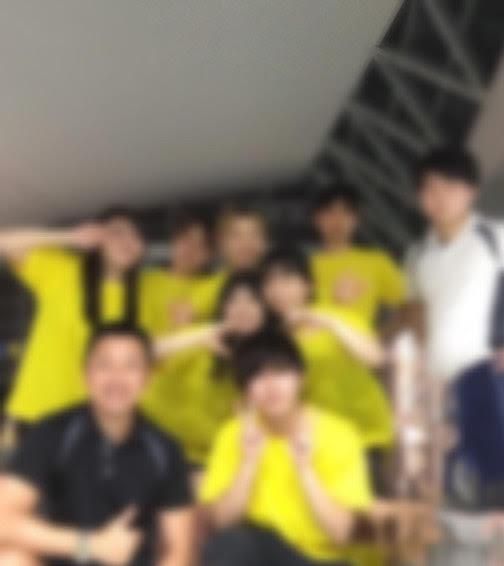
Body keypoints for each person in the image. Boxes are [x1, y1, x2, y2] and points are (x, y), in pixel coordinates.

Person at [0, 323, 194, 566]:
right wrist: (91, 545)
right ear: (85, 375)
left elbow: (179, 551)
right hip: (66, 558)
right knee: (9, 559)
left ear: (148, 379)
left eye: (130, 366)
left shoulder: (165, 450)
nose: (117, 378)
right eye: (105, 365)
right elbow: (3, 521)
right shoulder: (52, 433)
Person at [405, 145, 504, 564]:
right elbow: (417, 322)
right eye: (430, 188)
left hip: (488, 376)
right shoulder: (418, 256)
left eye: (451, 185)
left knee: (498, 479)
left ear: (472, 190)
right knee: (454, 489)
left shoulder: (495, 236)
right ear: (419, 197)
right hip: (440, 387)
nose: (440, 196)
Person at [199, 330, 373, 566]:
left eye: (280, 372)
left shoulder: (339, 435)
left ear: (301, 378)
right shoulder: (233, 434)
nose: (271, 386)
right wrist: (248, 463)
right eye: (257, 376)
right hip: (261, 551)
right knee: (229, 545)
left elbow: (342, 533)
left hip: (322, 558)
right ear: (245, 391)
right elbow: (221, 522)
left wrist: (305, 469)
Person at [0, 208, 146, 427]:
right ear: (98, 239)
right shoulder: (64, 271)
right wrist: (69, 237)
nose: (128, 240)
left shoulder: (145, 295)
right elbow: (4, 242)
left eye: (136, 235)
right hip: (38, 413)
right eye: (117, 232)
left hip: (97, 424)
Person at [260, 248, 393, 451]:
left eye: (287, 280)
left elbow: (375, 358)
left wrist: (326, 321)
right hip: (310, 440)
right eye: (269, 282)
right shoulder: (268, 337)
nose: (278, 289)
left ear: (308, 285)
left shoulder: (340, 316)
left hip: (363, 434)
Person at [141, 272, 274, 466]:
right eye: (233, 301)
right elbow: (142, 354)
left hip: (217, 459)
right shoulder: (203, 339)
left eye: (252, 301)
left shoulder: (273, 357)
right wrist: (200, 337)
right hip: (161, 447)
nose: (242, 308)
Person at [311, 184, 406, 328]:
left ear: (356, 220)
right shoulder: (301, 266)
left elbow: (409, 305)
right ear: (316, 219)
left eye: (346, 212)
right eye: (330, 212)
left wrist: (383, 337)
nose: (338, 219)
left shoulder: (376, 261)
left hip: (359, 342)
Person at [141, 211, 214, 335]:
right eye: (185, 240)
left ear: (209, 255)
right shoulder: (146, 282)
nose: (191, 249)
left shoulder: (216, 285)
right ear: (173, 242)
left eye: (201, 245)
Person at [194, 205, 270, 316]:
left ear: (265, 242)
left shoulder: (281, 286)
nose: (246, 243)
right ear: (221, 243)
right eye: (236, 236)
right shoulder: (207, 292)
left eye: (254, 234)